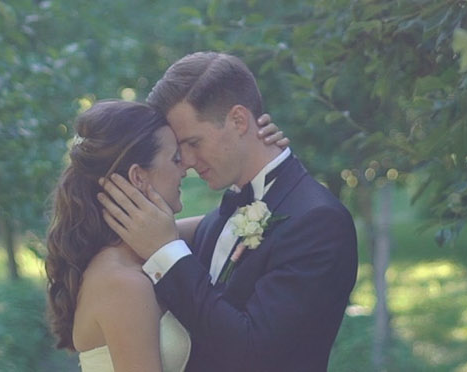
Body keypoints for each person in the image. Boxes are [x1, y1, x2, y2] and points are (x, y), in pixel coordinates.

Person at [98, 52, 358, 372]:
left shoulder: (318, 221)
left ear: (238, 120)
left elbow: (252, 352)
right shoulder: (226, 214)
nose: (188, 161)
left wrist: (164, 251)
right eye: (181, 150)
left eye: (193, 142)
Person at [45, 98, 288, 372]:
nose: (186, 169)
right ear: (139, 177)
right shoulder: (123, 282)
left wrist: (259, 155)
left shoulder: (139, 250)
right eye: (175, 159)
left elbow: (227, 223)